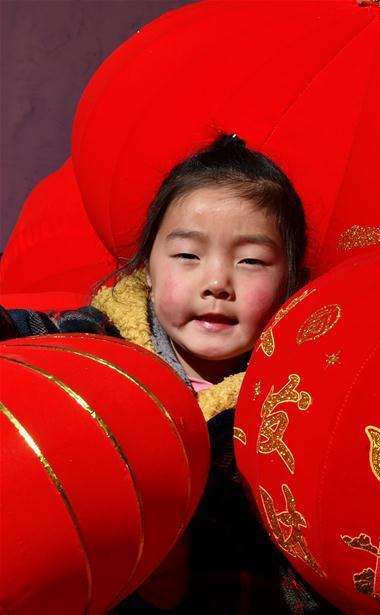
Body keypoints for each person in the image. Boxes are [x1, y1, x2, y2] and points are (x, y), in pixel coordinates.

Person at [0, 134, 327, 613]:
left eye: (251, 261)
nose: (217, 283)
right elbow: (37, 344)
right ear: (148, 269)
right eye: (188, 255)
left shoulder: (290, 406)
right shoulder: (102, 345)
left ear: (291, 283)